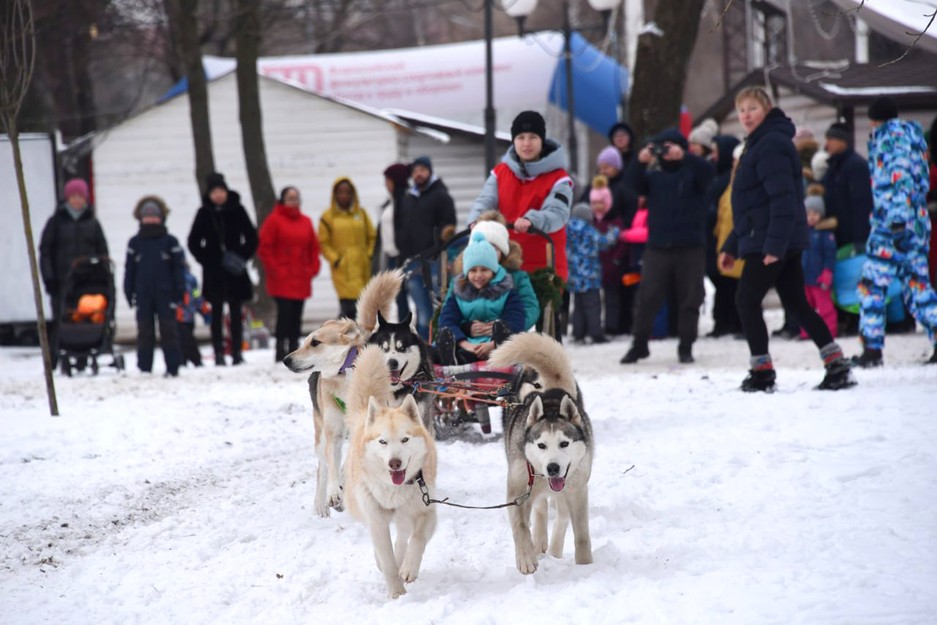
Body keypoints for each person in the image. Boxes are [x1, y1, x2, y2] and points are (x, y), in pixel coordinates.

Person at [718, 86, 855, 391]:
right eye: (741, 110)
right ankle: (836, 365)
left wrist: (774, 247)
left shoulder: (770, 145)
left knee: (746, 299)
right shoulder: (759, 144)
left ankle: (762, 372)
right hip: (771, 237)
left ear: (766, 109)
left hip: (772, 239)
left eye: (752, 108)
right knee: (796, 304)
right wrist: (731, 245)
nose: (746, 115)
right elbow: (750, 207)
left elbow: (783, 201)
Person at [468, 110, 574, 332]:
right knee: (504, 325)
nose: (526, 143)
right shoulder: (500, 173)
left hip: (545, 267)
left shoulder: (559, 178)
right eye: (521, 138)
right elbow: (486, 200)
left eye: (533, 137)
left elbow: (557, 213)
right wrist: (476, 220)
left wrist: (532, 220)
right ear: (513, 140)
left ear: (541, 140)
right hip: (507, 266)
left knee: (545, 328)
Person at [851, 96, 937, 367]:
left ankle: (872, 350)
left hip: (891, 224)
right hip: (917, 222)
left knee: (872, 286)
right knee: (918, 286)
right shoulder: (914, 138)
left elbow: (898, 178)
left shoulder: (890, 140)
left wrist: (897, 221)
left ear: (874, 119)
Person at [620, 128, 715, 365]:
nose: (667, 151)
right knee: (647, 296)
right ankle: (639, 344)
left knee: (690, 298)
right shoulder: (654, 177)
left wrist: (685, 157)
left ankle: (686, 345)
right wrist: (638, 162)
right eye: (663, 147)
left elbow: (709, 174)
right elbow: (630, 187)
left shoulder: (694, 172)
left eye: (672, 146)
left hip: (691, 246)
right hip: (658, 247)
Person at [187, 172, 258, 366]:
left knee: (236, 312)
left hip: (235, 271)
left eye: (221, 191)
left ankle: (236, 351)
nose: (218, 195)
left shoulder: (238, 209)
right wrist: (207, 259)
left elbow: (251, 237)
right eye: (214, 192)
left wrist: (241, 257)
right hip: (214, 272)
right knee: (216, 313)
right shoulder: (204, 213)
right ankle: (218, 351)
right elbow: (193, 241)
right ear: (209, 194)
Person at [38, 177, 109, 369]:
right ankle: (55, 358)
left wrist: (102, 273)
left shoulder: (92, 223)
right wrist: (49, 278)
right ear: (67, 198)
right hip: (61, 280)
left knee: (84, 317)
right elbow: (45, 252)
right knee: (61, 317)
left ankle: (83, 357)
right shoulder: (55, 222)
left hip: (86, 281)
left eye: (81, 196)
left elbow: (102, 250)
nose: (77, 200)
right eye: (74, 196)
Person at [435, 232, 526, 365]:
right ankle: (451, 358)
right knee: (445, 330)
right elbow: (448, 318)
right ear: (466, 273)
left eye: (484, 270)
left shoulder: (507, 292)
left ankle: (498, 352)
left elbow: (516, 318)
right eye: (473, 270)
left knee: (505, 326)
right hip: (467, 345)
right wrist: (465, 344)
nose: (478, 275)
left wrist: (492, 344)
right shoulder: (459, 294)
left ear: (493, 271)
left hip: (497, 345)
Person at [258, 186, 321, 362]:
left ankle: (294, 348)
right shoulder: (274, 221)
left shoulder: (306, 221)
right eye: (289, 198)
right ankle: (280, 348)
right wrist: (276, 269)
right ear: (282, 200)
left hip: (301, 275)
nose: (293, 201)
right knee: (284, 314)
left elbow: (314, 248)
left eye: (296, 198)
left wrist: (313, 268)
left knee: (296, 314)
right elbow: (265, 248)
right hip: (282, 277)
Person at [124, 196, 185, 376]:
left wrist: (179, 292)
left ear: (162, 217)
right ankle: (144, 368)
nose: (151, 219)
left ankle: (173, 367)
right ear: (140, 218)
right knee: (145, 331)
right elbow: (129, 271)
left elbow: (178, 270)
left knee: (169, 330)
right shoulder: (134, 243)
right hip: (143, 295)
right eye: (147, 216)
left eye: (154, 215)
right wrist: (129, 292)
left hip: (166, 295)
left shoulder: (170, 242)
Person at [396, 156, 456, 340]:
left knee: (440, 308)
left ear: (429, 171)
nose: (418, 174)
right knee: (422, 313)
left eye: (422, 169)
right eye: (415, 171)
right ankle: (424, 350)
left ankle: (443, 345)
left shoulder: (440, 195)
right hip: (413, 264)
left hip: (435, 262)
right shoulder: (408, 198)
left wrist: (443, 252)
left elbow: (449, 227)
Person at [470, 213, 540, 331]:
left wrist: (510, 328)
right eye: (484, 246)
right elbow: (452, 310)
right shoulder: (465, 277)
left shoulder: (517, 277)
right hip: (470, 335)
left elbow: (530, 307)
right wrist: (466, 328)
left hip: (509, 334)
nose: (488, 252)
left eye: (494, 247)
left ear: (502, 251)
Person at [566, 202, 620, 344]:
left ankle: (578, 333)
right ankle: (595, 333)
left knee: (578, 306)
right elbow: (603, 242)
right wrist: (614, 232)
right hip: (589, 276)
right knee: (593, 306)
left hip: (574, 277)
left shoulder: (567, 230)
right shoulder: (588, 230)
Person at [705, 134, 742, 337]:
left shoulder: (732, 179)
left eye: (716, 152)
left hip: (730, 237)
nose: (713, 156)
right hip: (717, 236)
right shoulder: (717, 175)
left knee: (733, 283)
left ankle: (734, 322)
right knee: (721, 282)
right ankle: (722, 322)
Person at [821, 122, 874, 251]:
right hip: (835, 236)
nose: (826, 145)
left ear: (842, 141)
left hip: (850, 240)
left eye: (830, 140)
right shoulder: (833, 166)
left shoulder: (856, 166)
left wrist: (859, 241)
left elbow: (862, 205)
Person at [375, 162, 411, 318]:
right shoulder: (389, 203)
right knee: (398, 298)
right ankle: (403, 329)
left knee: (411, 296)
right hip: (390, 256)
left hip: (403, 256)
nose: (385, 184)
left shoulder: (406, 201)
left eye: (388, 180)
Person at [801, 193, 838, 339]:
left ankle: (830, 331)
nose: (811, 217)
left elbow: (830, 256)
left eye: (815, 213)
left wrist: (827, 273)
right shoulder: (802, 232)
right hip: (804, 278)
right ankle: (806, 332)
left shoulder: (825, 234)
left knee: (825, 308)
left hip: (819, 279)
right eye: (808, 213)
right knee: (804, 307)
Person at [177, 261, 211, 367]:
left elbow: (196, 296)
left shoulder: (188, 279)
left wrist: (203, 310)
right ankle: (193, 360)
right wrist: (203, 310)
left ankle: (185, 360)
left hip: (183, 315)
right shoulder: (190, 279)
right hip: (185, 315)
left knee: (185, 340)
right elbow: (197, 297)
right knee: (186, 339)